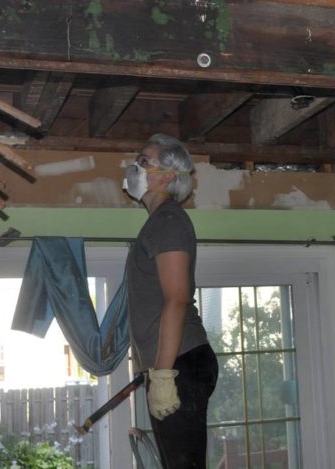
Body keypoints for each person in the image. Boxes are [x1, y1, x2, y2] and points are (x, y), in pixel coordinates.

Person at [122, 133, 218, 468]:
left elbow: (177, 299)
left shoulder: (169, 221)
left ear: (167, 177)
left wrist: (163, 375)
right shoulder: (158, 223)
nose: (134, 167)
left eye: (144, 161)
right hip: (175, 362)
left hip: (180, 364)